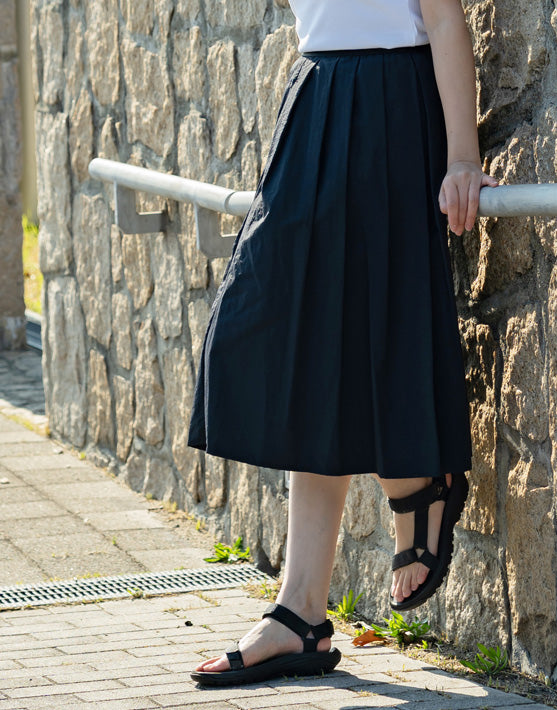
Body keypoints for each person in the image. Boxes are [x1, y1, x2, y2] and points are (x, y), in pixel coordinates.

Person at [189, 0, 498, 687]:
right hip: (317, 97)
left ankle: (408, 483)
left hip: (392, 105)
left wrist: (461, 157)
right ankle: (302, 608)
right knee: (298, 335)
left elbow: (444, 19)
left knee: (370, 320)